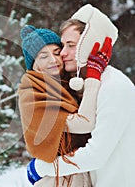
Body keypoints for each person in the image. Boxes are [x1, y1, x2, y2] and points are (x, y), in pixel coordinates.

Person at [27, 4, 135, 187]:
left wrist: (42, 168)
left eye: (71, 45)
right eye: (62, 45)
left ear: (90, 43)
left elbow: (95, 155)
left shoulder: (115, 86)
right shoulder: (87, 84)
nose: (63, 53)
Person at [18, 25, 110, 186]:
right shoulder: (32, 94)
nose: (53, 60)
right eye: (43, 56)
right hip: (56, 180)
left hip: (75, 172)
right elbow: (84, 124)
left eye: (56, 53)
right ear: (33, 64)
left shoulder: (65, 86)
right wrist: (93, 77)